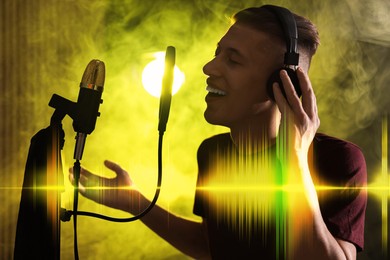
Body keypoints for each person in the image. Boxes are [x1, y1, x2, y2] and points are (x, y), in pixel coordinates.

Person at [70, 5, 367, 259]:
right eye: (216, 54)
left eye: (233, 60)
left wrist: (294, 160)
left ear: (283, 81)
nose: (209, 67)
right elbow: (213, 247)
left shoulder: (340, 160)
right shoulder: (213, 153)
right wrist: (134, 202)